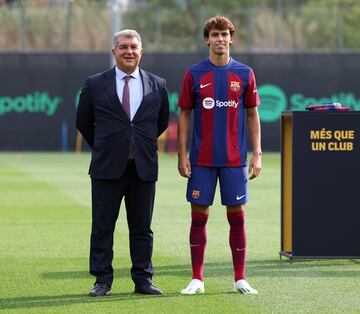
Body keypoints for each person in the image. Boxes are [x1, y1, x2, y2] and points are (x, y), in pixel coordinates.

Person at [76, 29, 169, 296]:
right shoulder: (95, 84)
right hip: (107, 168)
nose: (129, 51)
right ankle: (102, 280)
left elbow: (160, 122)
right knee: (103, 226)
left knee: (142, 227)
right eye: (124, 47)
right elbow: (83, 122)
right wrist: (107, 147)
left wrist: (138, 144)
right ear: (114, 51)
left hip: (143, 167)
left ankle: (143, 279)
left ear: (141, 51)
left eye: (134, 47)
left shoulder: (157, 84)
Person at [177, 16, 261, 295]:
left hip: (234, 161)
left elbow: (252, 114)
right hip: (201, 160)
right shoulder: (194, 73)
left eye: (225, 34)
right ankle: (197, 278)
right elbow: (185, 115)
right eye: (215, 34)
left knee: (237, 218)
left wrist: (257, 153)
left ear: (231, 38)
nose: (220, 39)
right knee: (198, 217)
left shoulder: (245, 73)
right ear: (207, 39)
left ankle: (240, 278)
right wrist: (181, 154)